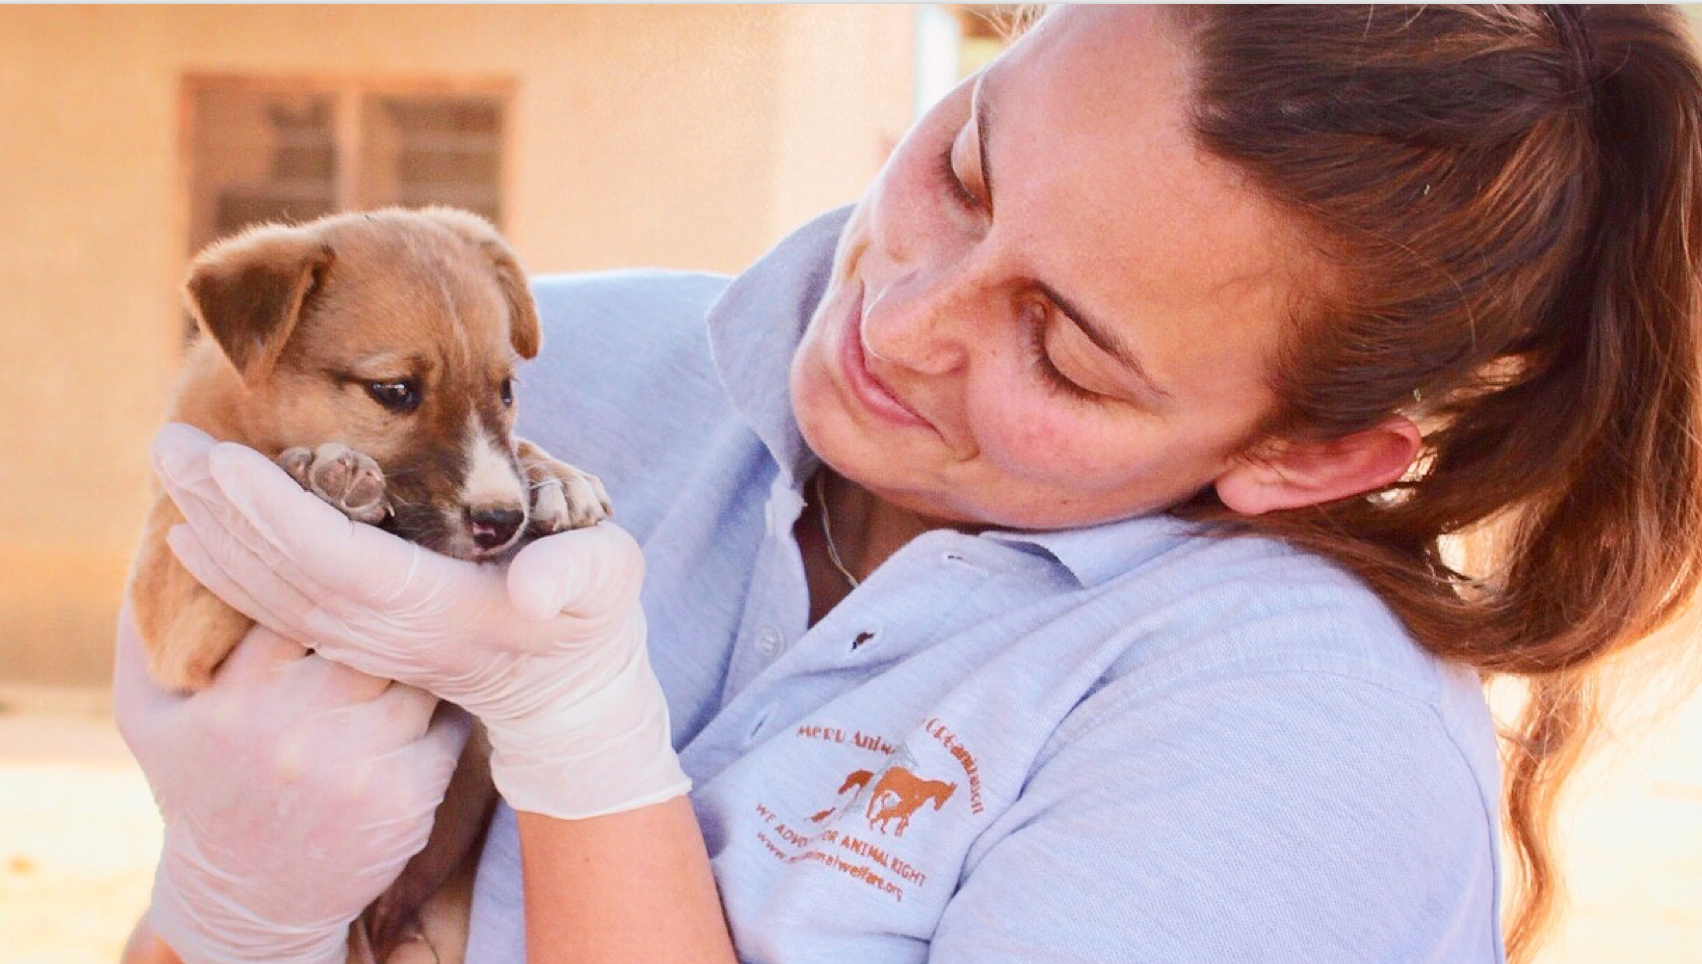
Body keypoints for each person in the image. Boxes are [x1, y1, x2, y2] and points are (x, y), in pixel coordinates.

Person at [116, 6, 1702, 964]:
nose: (898, 319)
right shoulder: (561, 376)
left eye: (1065, 353)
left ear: (1306, 456)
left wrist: (579, 735)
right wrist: (235, 907)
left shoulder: (1286, 736)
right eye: (965, 168)